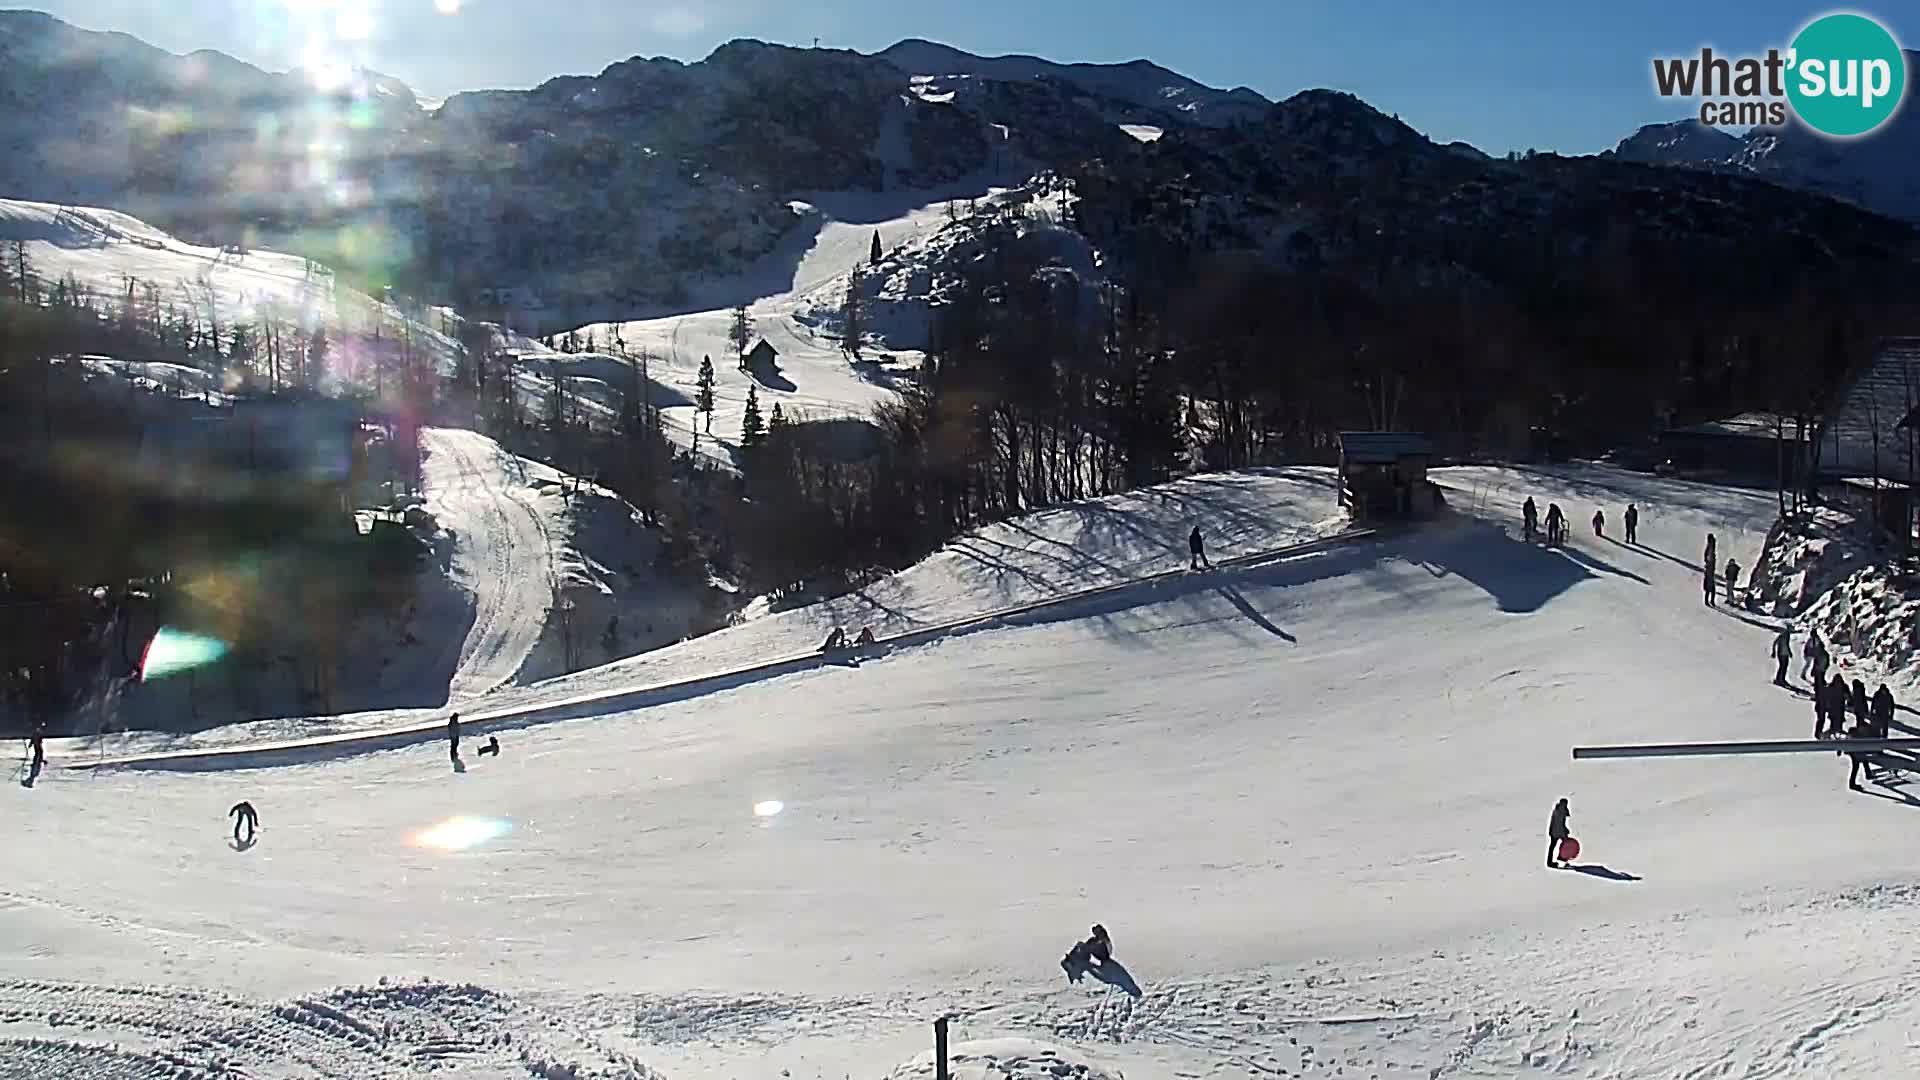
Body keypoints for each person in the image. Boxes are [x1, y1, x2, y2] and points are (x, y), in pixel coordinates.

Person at [1547, 797, 1572, 869]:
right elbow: (1559, 824)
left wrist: (1565, 829)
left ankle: (1550, 862)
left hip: (1554, 831)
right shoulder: (1561, 811)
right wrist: (1564, 833)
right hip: (1557, 832)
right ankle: (1562, 859)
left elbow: (1558, 823)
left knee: (1552, 847)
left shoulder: (1557, 809)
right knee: (1566, 845)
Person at [1823, 673, 1849, 738]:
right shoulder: (1844, 686)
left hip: (1834, 706)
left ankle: (1834, 732)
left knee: (1834, 719)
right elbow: (1847, 696)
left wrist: (1827, 705)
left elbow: (1827, 696)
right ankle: (1837, 732)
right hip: (1839, 706)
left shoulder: (1831, 686)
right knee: (1838, 719)